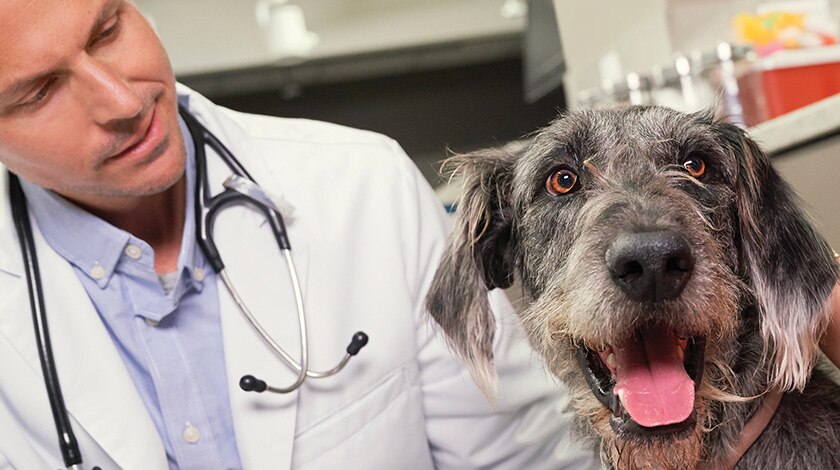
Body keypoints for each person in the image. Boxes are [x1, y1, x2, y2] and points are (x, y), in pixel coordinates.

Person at [0, 1, 599, 468]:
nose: (123, 101)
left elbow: (528, 455)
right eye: (40, 91)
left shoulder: (365, 187)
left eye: (107, 31)